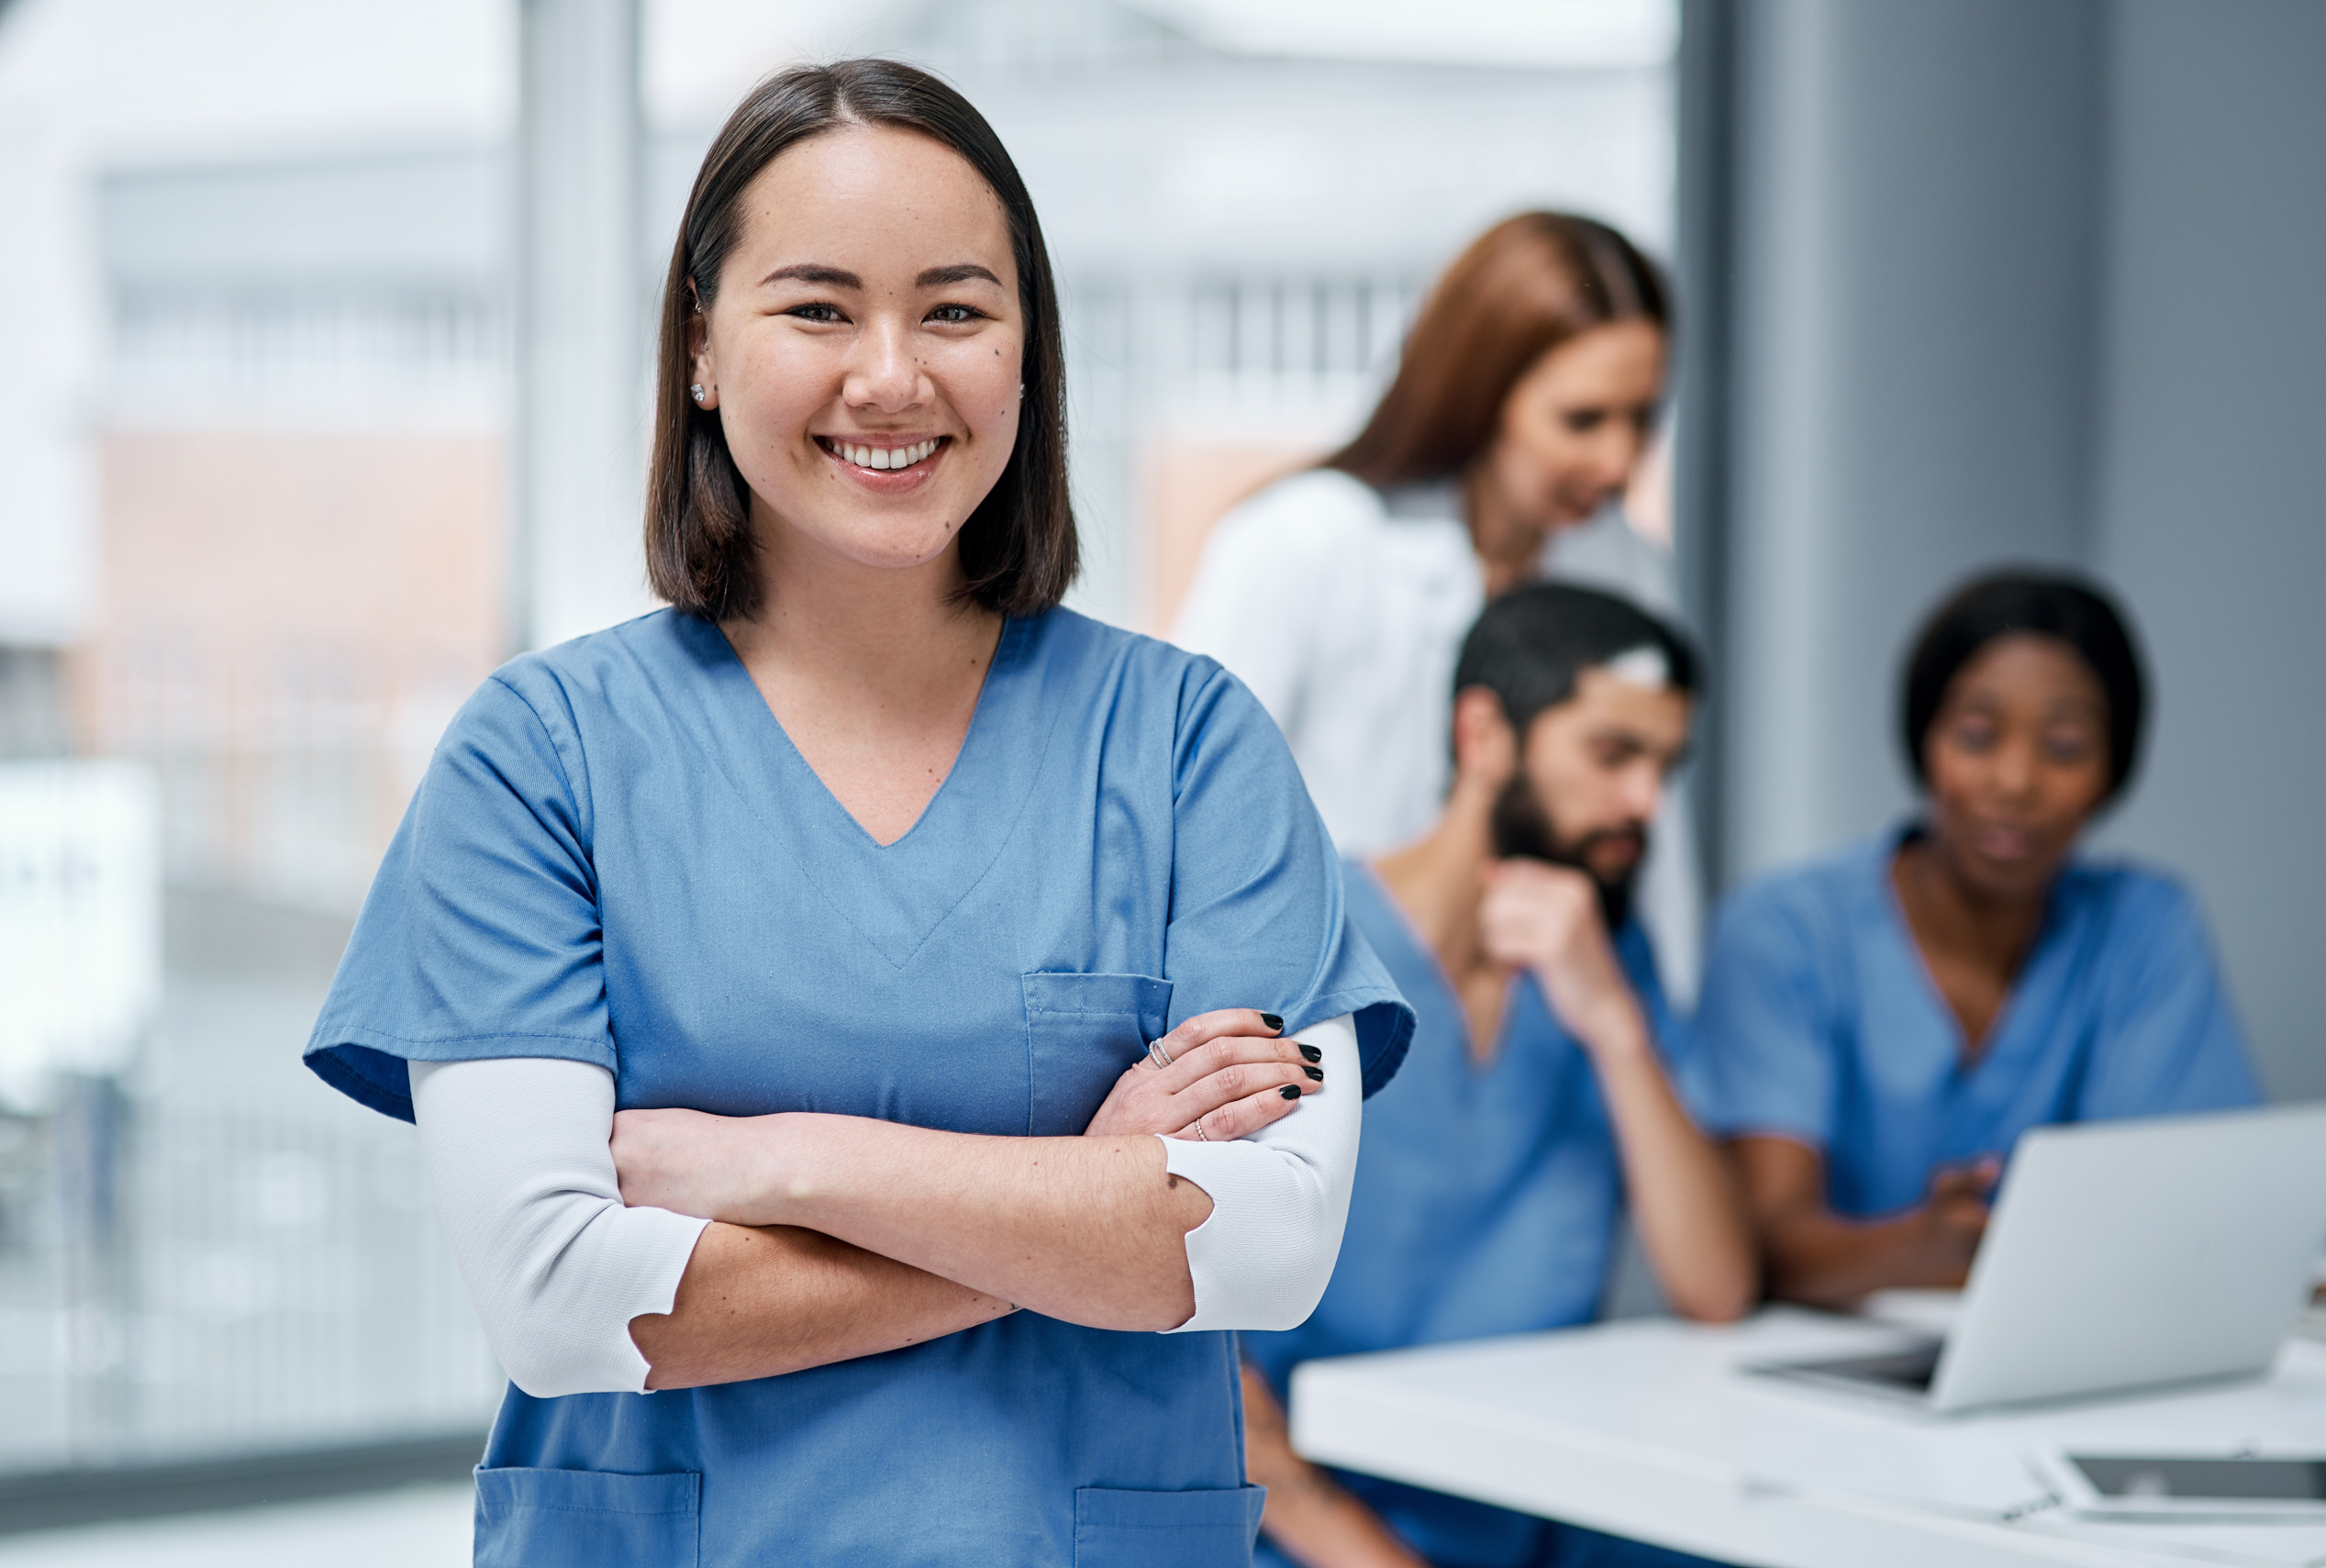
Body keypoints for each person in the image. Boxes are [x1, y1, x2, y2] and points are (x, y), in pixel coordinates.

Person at [303, 61, 1411, 1567]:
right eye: (818, 308)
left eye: (956, 309)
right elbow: (564, 1299)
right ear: (702, 349)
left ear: (1030, 353)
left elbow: (1267, 1247)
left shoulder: (1188, 745)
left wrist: (776, 1158)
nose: (892, 375)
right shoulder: (539, 760)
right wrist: (1089, 1198)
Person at [1242, 584, 1753, 1568]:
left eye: (1663, 767)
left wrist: (1613, 1025)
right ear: (1483, 734)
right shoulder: (1298, 948)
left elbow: (1716, 1286)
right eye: (1613, 756)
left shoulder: (1614, 967)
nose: (1644, 804)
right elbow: (1184, 1344)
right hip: (1308, 1529)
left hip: (1536, 1511)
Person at [1171, 212, 1705, 1003]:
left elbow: (1654, 840)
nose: (1619, 460)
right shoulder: (1303, 542)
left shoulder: (1626, 566)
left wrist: (1666, 1032)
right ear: (1482, 394)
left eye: (1642, 418)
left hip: (1533, 1023)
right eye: (1583, 419)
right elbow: (1187, 831)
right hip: (1316, 1011)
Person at [1693, 572, 2263, 1307]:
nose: (2015, 780)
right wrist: (1921, 1246)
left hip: (2071, 1344)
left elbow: (2193, 1216)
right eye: (1976, 736)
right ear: (1923, 739)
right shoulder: (1787, 930)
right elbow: (1767, 1247)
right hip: (1827, 1358)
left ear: (2112, 770)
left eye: (2063, 747)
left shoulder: (2145, 926)